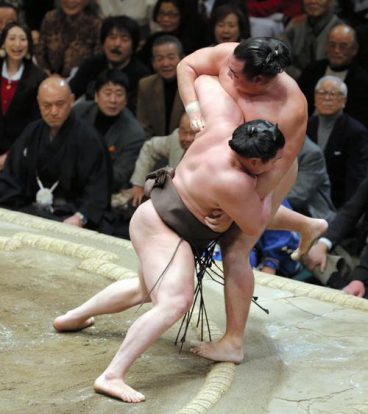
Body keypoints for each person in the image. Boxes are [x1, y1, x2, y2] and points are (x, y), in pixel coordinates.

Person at [53, 118, 289, 403]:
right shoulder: (235, 181)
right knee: (174, 302)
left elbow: (192, 73)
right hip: (164, 229)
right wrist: (261, 193)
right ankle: (112, 375)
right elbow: (255, 224)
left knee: (144, 289)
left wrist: (230, 208)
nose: (276, 164)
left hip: (154, 217)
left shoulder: (216, 133)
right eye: (271, 161)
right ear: (253, 161)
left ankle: (72, 318)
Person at [176, 37, 327, 362]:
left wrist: (232, 212)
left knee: (235, 249)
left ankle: (233, 342)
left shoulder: (291, 108)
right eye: (228, 71)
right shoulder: (235, 54)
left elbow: (276, 170)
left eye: (236, 76)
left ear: (260, 81)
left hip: (269, 170)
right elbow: (187, 66)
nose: (228, 75)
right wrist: (193, 108)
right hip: (229, 156)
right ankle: (307, 225)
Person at [0, 76, 113, 232]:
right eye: (46, 105)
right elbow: (11, 178)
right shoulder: (31, 132)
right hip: (31, 211)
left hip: (69, 216)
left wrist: (80, 217)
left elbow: (98, 189)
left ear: (71, 100)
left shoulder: (89, 139)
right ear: (38, 103)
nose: (53, 112)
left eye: (60, 104)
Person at [74, 69, 145, 194]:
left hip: (104, 191)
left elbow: (119, 177)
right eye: (107, 93)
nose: (113, 100)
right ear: (96, 96)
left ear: (126, 99)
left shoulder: (134, 134)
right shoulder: (79, 111)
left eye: (119, 94)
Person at [306, 75, 368, 209]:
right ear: (315, 98)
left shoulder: (355, 131)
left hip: (337, 203)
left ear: (343, 100)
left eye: (333, 94)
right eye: (322, 93)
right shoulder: (305, 126)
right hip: (306, 198)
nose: (327, 98)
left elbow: (355, 178)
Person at [69, 15, 151, 114]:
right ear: (103, 43)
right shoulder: (90, 65)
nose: (117, 44)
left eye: (124, 39)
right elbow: (69, 93)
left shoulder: (142, 76)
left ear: (133, 47)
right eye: (112, 37)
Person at [304, 174, 368, 298]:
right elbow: (349, 213)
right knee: (308, 248)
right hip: (357, 251)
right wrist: (324, 244)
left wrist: (359, 278)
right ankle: (342, 287)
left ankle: (351, 288)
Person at [298, 24, 368, 128]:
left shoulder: (362, 81)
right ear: (326, 47)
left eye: (343, 46)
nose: (336, 50)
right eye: (332, 45)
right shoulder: (312, 71)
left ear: (354, 50)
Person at [0, 22, 46, 170]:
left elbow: (36, 124)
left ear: (29, 44)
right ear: (3, 43)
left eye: (23, 39)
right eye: (12, 38)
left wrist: (11, 155)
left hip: (19, 152)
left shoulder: (39, 78)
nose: (17, 44)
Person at [130, 112, 195, 206]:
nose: (187, 138)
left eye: (193, 133)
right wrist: (139, 184)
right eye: (184, 131)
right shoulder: (175, 140)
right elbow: (150, 148)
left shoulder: (213, 151)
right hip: (173, 200)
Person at [36, 0, 101, 78]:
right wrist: (46, 73)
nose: (71, 1)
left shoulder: (96, 25)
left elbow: (97, 62)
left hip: (82, 83)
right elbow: (40, 52)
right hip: (49, 80)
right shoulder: (50, 18)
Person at [136, 34, 185, 138]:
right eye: (159, 58)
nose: (165, 63)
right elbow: (143, 125)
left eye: (171, 57)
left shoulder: (194, 84)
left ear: (182, 59)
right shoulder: (145, 85)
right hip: (155, 146)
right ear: (153, 63)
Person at [283, 0, 342, 79]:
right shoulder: (294, 25)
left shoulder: (341, 30)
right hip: (296, 82)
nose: (313, 1)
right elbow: (281, 61)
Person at [287, 136, 336, 223]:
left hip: (312, 216)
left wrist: (261, 199)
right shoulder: (269, 144)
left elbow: (297, 196)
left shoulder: (311, 153)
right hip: (282, 211)